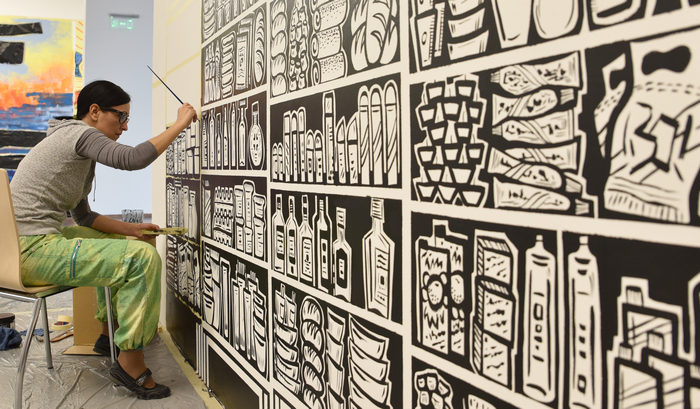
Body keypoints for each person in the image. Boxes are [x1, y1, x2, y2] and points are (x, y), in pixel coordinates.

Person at [10, 80, 197, 400]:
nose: (125, 126)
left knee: (114, 240)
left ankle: (107, 335)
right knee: (141, 259)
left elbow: (84, 218)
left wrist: (130, 230)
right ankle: (131, 364)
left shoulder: (72, 144)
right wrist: (180, 123)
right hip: (30, 250)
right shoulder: (79, 135)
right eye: (120, 117)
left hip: (23, 246)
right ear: (94, 111)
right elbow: (133, 159)